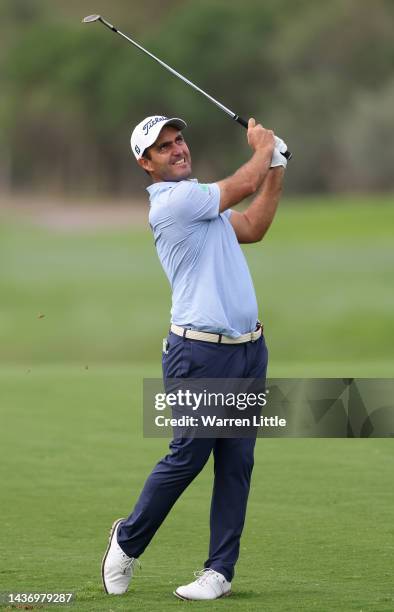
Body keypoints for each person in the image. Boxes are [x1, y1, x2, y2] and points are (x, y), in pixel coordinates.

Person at [101, 115, 287, 600]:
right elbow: (245, 182)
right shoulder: (175, 202)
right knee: (189, 454)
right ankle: (126, 540)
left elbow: (253, 225)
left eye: (179, 140)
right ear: (146, 164)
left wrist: (277, 167)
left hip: (249, 351)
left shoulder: (202, 200)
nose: (177, 149)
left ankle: (219, 572)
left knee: (236, 462)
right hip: (200, 354)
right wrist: (263, 149)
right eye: (164, 148)